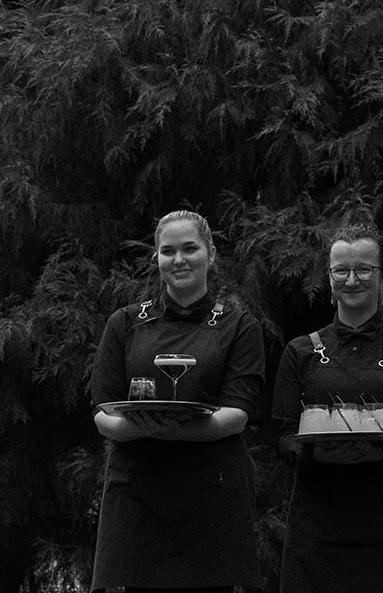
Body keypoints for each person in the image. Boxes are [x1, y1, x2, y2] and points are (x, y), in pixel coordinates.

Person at [89, 209, 265, 593]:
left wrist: (163, 430)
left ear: (211, 254)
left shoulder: (239, 326)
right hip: (137, 490)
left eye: (190, 249)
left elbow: (237, 414)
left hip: (212, 493)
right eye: (168, 251)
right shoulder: (125, 323)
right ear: (157, 258)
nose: (179, 259)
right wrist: (142, 428)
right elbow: (103, 413)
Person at [271, 223, 383, 593]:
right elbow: (283, 435)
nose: (352, 280)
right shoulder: (300, 352)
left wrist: (376, 454)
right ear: (329, 277)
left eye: (364, 269)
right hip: (317, 523)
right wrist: (318, 454)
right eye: (341, 271)